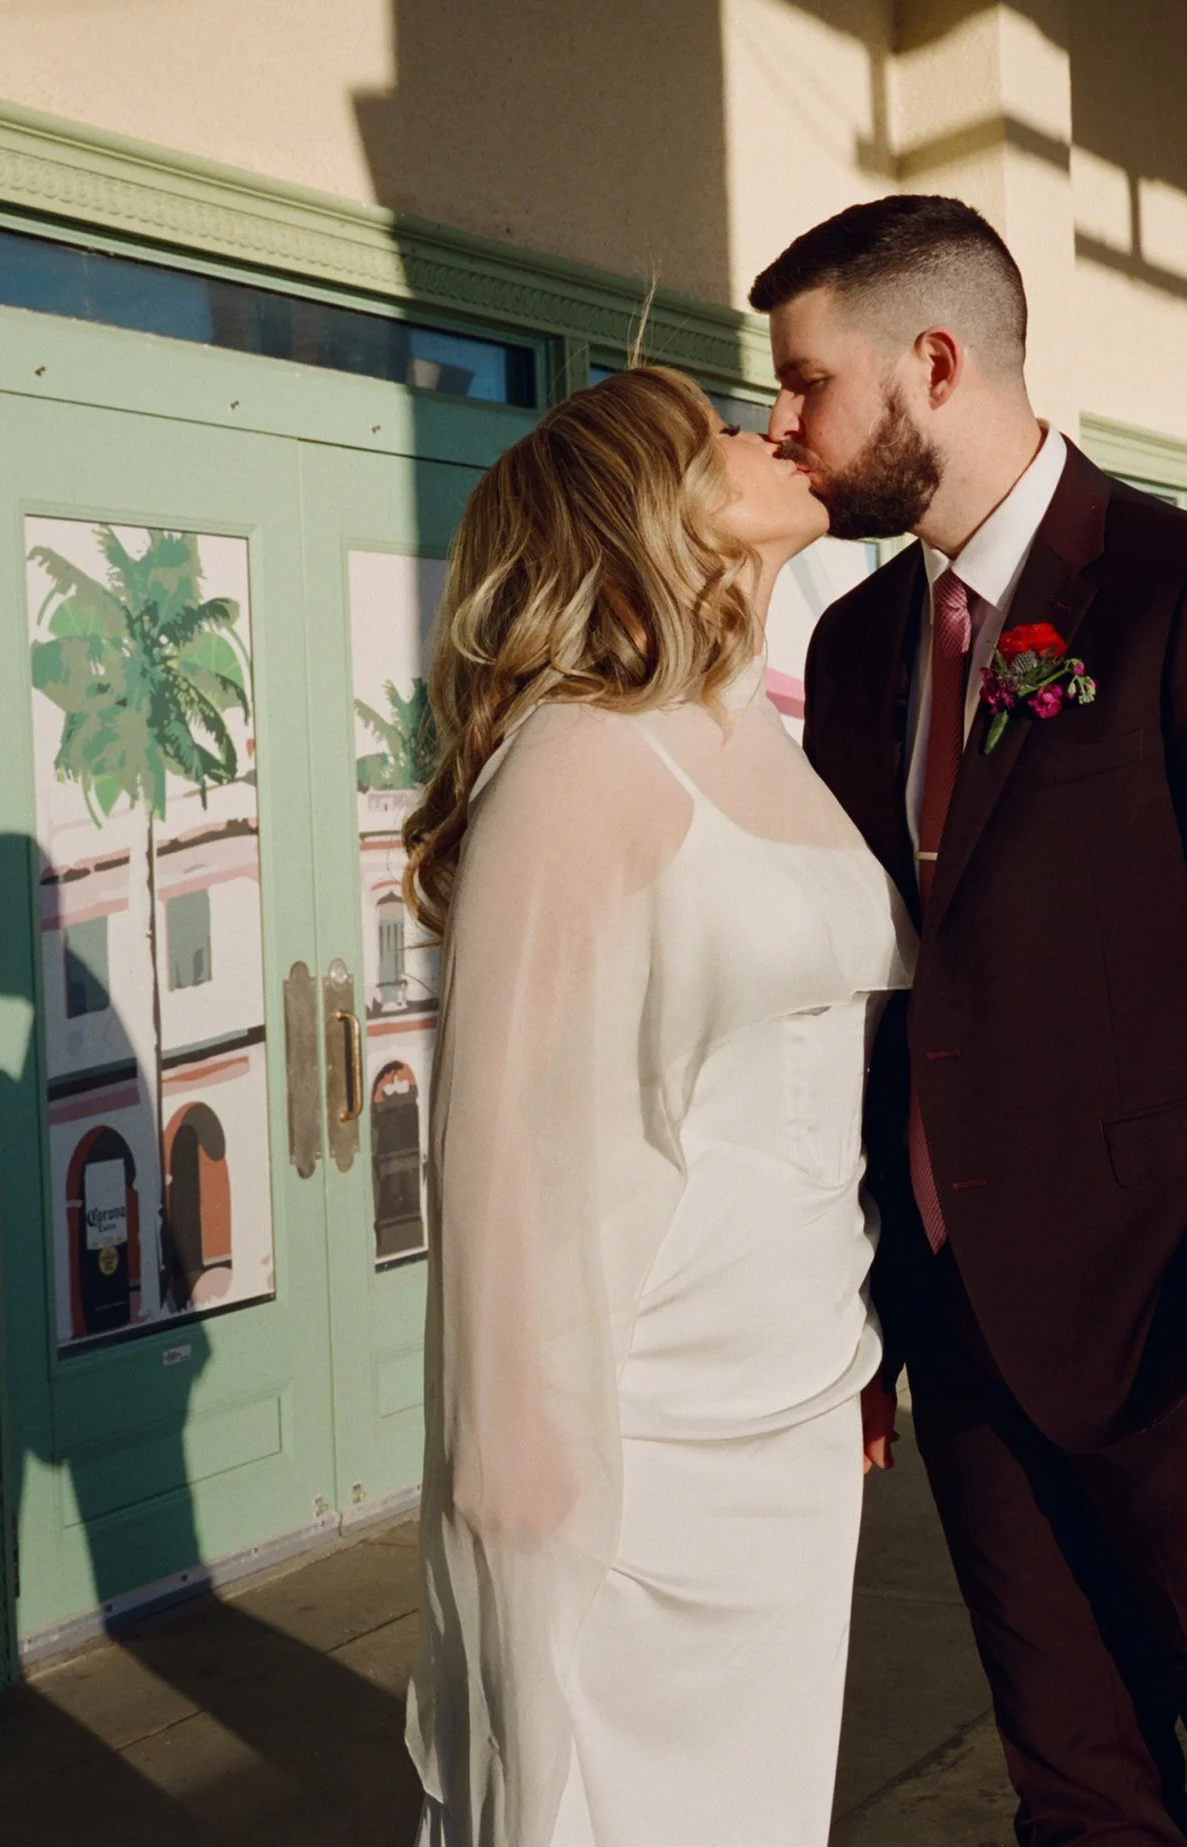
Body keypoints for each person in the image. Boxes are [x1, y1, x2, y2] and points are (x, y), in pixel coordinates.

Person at [758, 194, 1187, 1845]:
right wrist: (863, 1311)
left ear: (934, 361)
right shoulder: (852, 649)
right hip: (966, 1338)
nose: (782, 428)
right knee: (1078, 1793)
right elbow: (877, 1003)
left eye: (804, 383)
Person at [401, 365, 913, 1847]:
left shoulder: (763, 739)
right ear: (644, 510)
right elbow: (502, 1165)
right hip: (643, 1456)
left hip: (797, 1418)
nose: (763, 429)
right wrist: (521, 1502)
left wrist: (859, 1346)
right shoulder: (576, 764)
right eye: (710, 436)